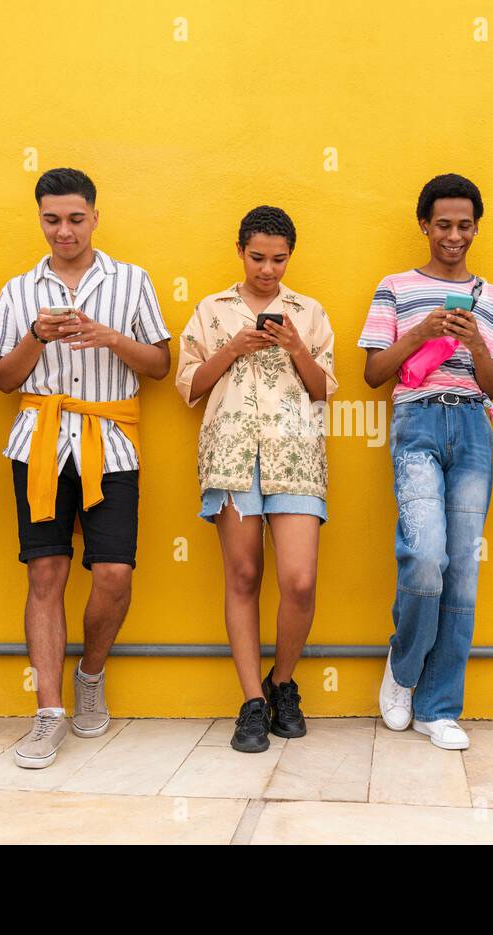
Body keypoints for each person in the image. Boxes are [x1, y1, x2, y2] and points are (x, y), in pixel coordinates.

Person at [0, 167, 171, 769]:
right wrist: (37, 336)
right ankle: (46, 713)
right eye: (51, 219)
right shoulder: (17, 290)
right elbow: (4, 380)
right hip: (38, 443)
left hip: (111, 441)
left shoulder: (132, 280)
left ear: (95, 215)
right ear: (39, 218)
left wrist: (109, 338)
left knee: (114, 572)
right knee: (45, 575)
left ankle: (90, 674)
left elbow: (161, 365)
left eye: (75, 218)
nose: (63, 230)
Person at [358, 173, 493, 751]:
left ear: (477, 226)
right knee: (425, 555)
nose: (455, 235)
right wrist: (422, 330)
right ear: (424, 225)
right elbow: (374, 374)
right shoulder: (396, 288)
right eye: (444, 224)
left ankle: (440, 706)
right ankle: (403, 670)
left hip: (473, 423)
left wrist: (476, 344)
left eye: (465, 225)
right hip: (418, 419)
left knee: (463, 570)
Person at [176, 206, 337, 753]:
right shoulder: (211, 309)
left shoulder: (309, 312)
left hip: (296, 453)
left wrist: (294, 348)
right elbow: (189, 387)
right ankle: (251, 701)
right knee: (243, 575)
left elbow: (323, 390)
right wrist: (233, 347)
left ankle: (282, 682)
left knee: (299, 580)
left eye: (279, 259)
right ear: (240, 250)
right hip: (231, 455)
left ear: (291, 255)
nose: (268, 269)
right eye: (258, 257)